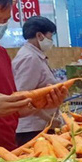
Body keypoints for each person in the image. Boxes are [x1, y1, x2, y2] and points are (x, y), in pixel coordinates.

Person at [0, 0, 65, 157]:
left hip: (7, 153)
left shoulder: (0, 54)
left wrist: (42, 103)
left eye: (5, 21)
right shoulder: (27, 57)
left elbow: (12, 109)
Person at [12, 16, 61, 146]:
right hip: (33, 129)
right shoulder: (30, 58)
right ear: (39, 36)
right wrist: (49, 119)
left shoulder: (36, 56)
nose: (51, 41)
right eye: (50, 36)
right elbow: (24, 98)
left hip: (41, 126)